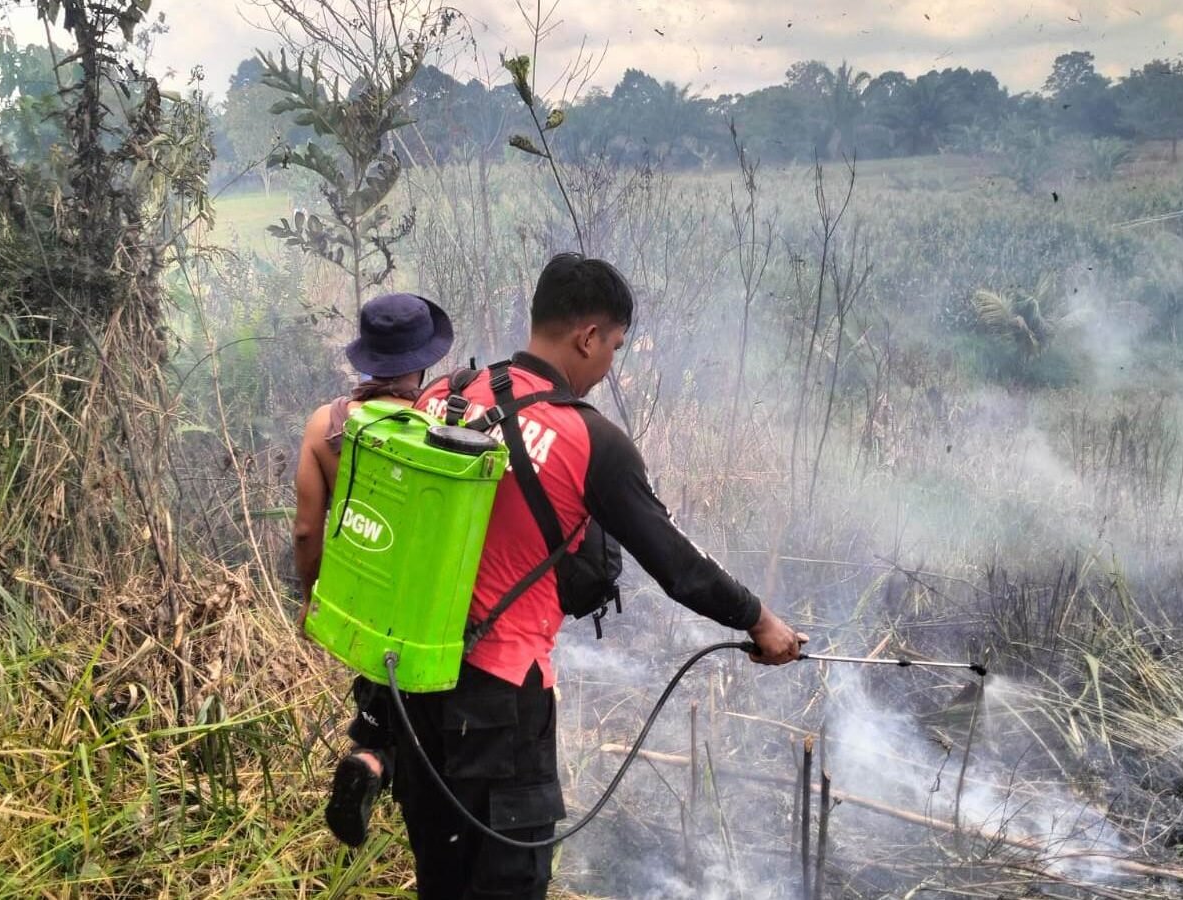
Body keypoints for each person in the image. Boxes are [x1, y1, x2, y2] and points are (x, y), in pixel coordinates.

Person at [392, 253, 809, 899]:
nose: (610, 362)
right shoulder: (590, 440)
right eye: (613, 345)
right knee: (509, 885)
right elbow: (680, 568)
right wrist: (761, 620)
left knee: (441, 881)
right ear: (587, 337)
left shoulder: (443, 396)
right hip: (502, 698)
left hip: (412, 689)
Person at [293, 291, 455, 848]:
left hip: (357, 599)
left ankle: (370, 755)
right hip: (426, 615)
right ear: (422, 362)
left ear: (366, 356)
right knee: (420, 705)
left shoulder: (326, 425)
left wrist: (312, 595)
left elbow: (306, 532)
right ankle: (385, 767)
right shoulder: (439, 430)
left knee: (378, 677)